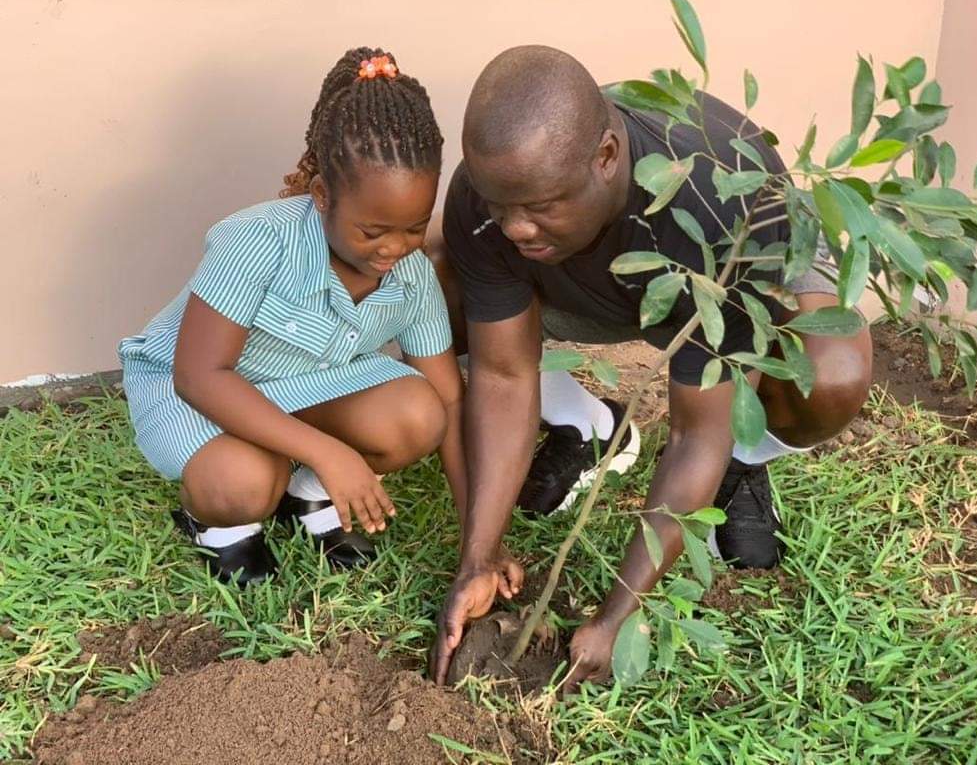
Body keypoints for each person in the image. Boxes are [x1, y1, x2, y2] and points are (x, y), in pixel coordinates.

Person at [429, 46, 871, 690]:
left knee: (829, 377)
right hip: (595, 276)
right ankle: (587, 422)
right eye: (500, 205)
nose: (515, 228)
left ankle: (743, 461)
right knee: (431, 281)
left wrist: (615, 618)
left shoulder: (725, 213)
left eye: (538, 205)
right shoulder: (495, 196)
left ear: (606, 156)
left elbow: (694, 433)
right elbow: (502, 374)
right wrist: (479, 557)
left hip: (720, 261)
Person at [117, 48, 471, 586]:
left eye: (414, 227)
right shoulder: (257, 241)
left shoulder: (411, 275)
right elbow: (199, 376)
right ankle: (217, 524)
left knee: (421, 414)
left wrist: (477, 538)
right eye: (372, 232)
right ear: (323, 195)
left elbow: (448, 395)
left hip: (307, 386)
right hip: (195, 386)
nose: (393, 248)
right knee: (244, 484)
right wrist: (329, 451)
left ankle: (309, 493)